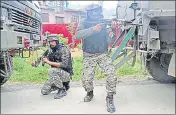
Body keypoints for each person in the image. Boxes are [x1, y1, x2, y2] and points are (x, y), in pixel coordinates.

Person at [75, 4, 117, 113]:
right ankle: (90, 92)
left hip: (102, 54)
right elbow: (77, 35)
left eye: (96, 11)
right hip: (89, 55)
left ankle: (110, 97)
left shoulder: (104, 22)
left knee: (111, 75)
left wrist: (113, 30)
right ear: (88, 12)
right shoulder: (84, 22)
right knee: (86, 79)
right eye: (92, 11)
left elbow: (110, 41)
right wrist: (93, 29)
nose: (95, 13)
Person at [41, 34, 73, 99]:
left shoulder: (64, 49)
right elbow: (43, 57)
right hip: (56, 75)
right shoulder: (50, 50)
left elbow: (64, 64)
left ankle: (62, 89)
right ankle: (63, 85)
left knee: (51, 71)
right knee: (44, 91)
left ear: (57, 41)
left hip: (66, 74)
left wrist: (48, 62)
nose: (51, 43)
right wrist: (37, 62)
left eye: (53, 41)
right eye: (50, 42)